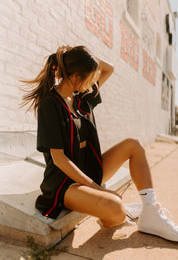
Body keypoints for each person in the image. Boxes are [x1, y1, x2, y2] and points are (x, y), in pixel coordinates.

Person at [21, 45, 178, 242]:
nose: (93, 82)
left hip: (88, 169)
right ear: (77, 77)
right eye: (90, 77)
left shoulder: (81, 97)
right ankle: (120, 210)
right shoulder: (50, 105)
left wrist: (80, 54)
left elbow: (109, 68)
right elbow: (59, 159)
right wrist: (96, 188)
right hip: (65, 183)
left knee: (134, 145)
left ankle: (151, 212)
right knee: (116, 210)